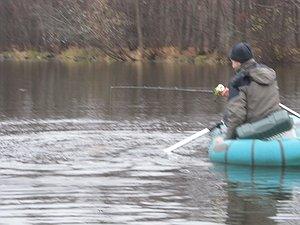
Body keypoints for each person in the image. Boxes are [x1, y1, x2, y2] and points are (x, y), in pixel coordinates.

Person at [218, 42, 281, 139]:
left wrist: (227, 139)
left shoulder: (237, 82)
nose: (232, 66)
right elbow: (255, 94)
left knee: (227, 117)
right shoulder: (269, 72)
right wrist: (231, 95)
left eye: (232, 62)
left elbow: (237, 116)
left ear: (238, 62)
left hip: (255, 127)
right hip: (275, 122)